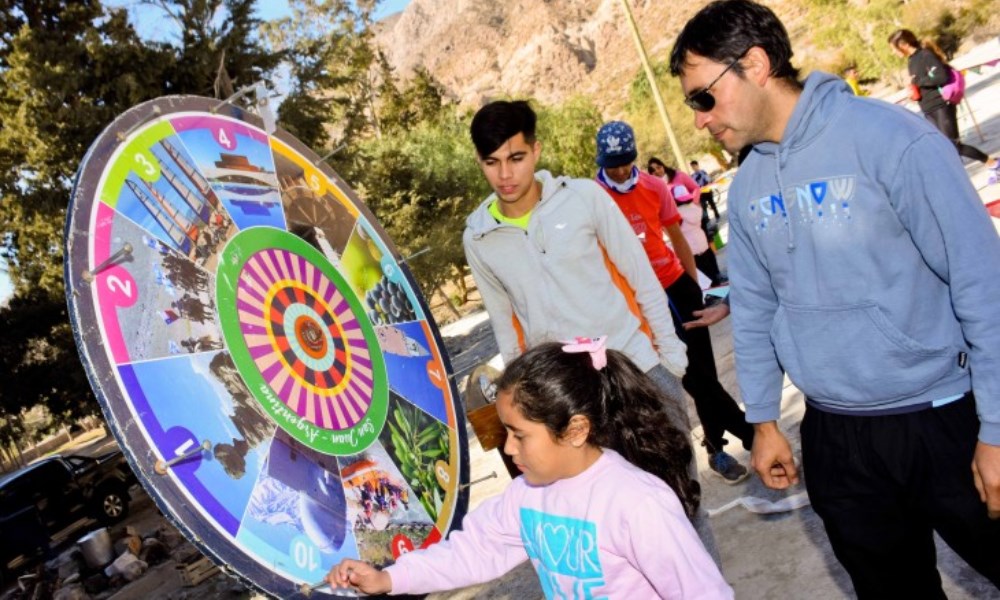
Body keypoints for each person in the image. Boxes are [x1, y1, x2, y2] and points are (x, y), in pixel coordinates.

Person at [670, 1, 1000, 597]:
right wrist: (764, 420)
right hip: (836, 439)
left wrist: (997, 428)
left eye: (703, 97)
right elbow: (756, 308)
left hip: (944, 416)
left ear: (755, 63)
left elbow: (983, 283)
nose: (700, 120)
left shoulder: (890, 139)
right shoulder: (745, 189)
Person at [325, 340, 734, 598]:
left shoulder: (637, 503)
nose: (507, 447)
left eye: (520, 435)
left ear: (575, 430)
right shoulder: (528, 495)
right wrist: (389, 578)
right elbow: (475, 551)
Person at [461, 100, 689, 432]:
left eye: (516, 158)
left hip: (637, 366)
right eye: (492, 162)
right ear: (479, 162)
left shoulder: (584, 197)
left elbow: (641, 276)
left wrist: (671, 360)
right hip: (569, 397)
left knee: (681, 484)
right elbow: (505, 330)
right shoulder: (479, 238)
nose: (505, 174)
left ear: (536, 151)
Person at [596, 122, 754, 484]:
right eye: (611, 164)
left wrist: (692, 281)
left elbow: (675, 235)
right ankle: (751, 433)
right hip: (636, 297)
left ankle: (717, 449)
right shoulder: (592, 196)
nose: (619, 171)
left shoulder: (654, 186)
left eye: (624, 162)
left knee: (705, 373)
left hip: (675, 284)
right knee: (688, 375)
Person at [888, 29, 997, 169]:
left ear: (903, 44)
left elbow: (941, 77)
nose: (893, 52)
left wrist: (918, 82)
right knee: (941, 148)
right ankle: (960, 178)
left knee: (952, 145)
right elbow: (921, 83)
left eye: (893, 48)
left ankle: (992, 163)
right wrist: (913, 92)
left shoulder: (925, 55)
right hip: (928, 109)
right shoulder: (911, 61)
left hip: (942, 106)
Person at [648, 156, 726, 286]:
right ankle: (706, 284)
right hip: (676, 223)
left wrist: (693, 204)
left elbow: (695, 188)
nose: (657, 171)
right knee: (689, 252)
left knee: (704, 245)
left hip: (693, 216)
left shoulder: (678, 176)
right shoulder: (654, 186)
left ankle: (716, 274)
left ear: (663, 165)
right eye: (652, 170)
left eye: (658, 167)